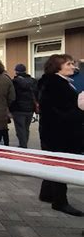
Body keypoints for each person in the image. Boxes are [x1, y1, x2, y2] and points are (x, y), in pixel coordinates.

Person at [38, 54, 83, 216]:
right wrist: (79, 111)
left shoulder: (60, 82)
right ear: (58, 66)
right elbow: (54, 111)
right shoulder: (54, 83)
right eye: (69, 64)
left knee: (53, 163)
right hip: (58, 133)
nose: (73, 67)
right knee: (61, 165)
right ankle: (60, 201)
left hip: (56, 131)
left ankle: (47, 193)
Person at [10, 64, 38, 148]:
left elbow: (12, 96)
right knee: (26, 128)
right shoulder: (33, 81)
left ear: (16, 71)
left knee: (20, 128)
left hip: (18, 109)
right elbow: (37, 93)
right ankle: (24, 144)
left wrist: (10, 109)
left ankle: (23, 146)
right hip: (30, 109)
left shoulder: (14, 82)